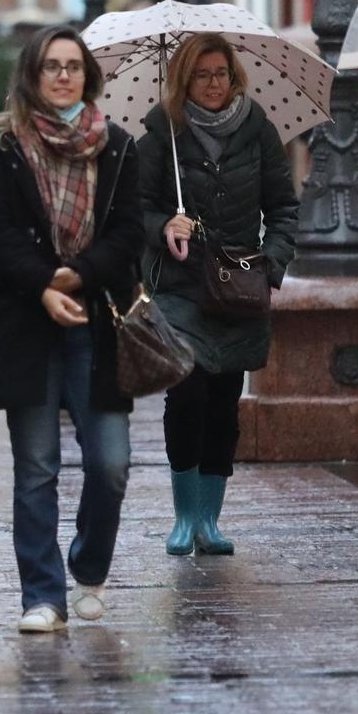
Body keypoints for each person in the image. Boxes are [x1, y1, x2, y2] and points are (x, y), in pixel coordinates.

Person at [0, 27, 143, 633]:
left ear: (88, 77)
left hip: (96, 321)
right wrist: (44, 285)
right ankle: (42, 596)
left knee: (111, 463)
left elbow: (128, 234)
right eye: (52, 66)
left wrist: (78, 278)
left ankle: (89, 565)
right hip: (25, 321)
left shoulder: (118, 146)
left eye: (73, 66)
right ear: (33, 75)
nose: (64, 76)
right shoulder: (4, 144)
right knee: (38, 465)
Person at [138, 32, 298, 558]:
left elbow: (282, 208)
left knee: (225, 402)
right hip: (181, 285)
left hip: (239, 286)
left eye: (221, 74)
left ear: (235, 78)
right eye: (202, 75)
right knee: (186, 393)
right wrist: (165, 223)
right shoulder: (160, 135)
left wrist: (271, 263)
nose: (213, 84)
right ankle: (184, 516)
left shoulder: (259, 132)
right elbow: (133, 209)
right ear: (185, 78)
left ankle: (210, 519)